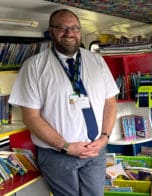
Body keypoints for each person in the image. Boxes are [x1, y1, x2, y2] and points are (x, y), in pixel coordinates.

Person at [8, 9, 119, 196]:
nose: (69, 33)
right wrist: (67, 146)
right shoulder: (34, 67)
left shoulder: (97, 61)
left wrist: (104, 138)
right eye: (62, 28)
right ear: (51, 31)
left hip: (95, 152)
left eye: (75, 28)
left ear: (80, 32)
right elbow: (31, 118)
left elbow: (110, 102)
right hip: (58, 156)